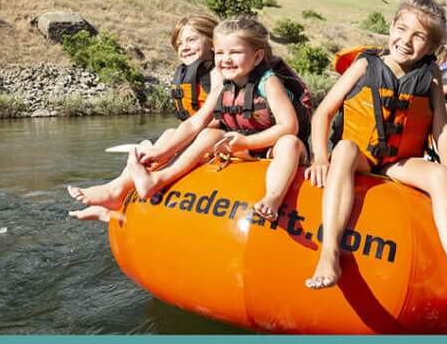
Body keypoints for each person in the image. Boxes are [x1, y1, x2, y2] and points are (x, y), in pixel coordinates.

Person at [303, 0, 447, 335]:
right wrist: (320, 156)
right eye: (401, 30)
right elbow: (323, 112)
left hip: (398, 161)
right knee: (344, 149)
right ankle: (329, 253)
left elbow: (442, 127)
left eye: (418, 37)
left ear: (432, 47)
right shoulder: (365, 65)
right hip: (361, 155)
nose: (406, 41)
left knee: (440, 176)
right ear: (390, 28)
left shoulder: (430, 77)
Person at [127, 17, 310, 223]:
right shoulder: (222, 85)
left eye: (235, 52)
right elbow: (195, 123)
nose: (226, 59)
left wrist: (247, 142)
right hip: (242, 146)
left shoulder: (269, 82)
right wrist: (162, 152)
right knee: (208, 133)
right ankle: (159, 179)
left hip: (274, 147)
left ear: (257, 57)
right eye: (220, 53)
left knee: (289, 143)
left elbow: (289, 127)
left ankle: (273, 198)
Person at [67, 13, 220, 221]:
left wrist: (166, 149)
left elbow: (216, 118)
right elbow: (192, 121)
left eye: (192, 39)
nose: (184, 47)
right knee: (168, 133)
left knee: (176, 139)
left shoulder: (219, 72)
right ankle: (116, 195)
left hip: (216, 137)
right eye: (179, 43)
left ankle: (118, 192)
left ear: (212, 41)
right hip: (198, 132)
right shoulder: (192, 73)